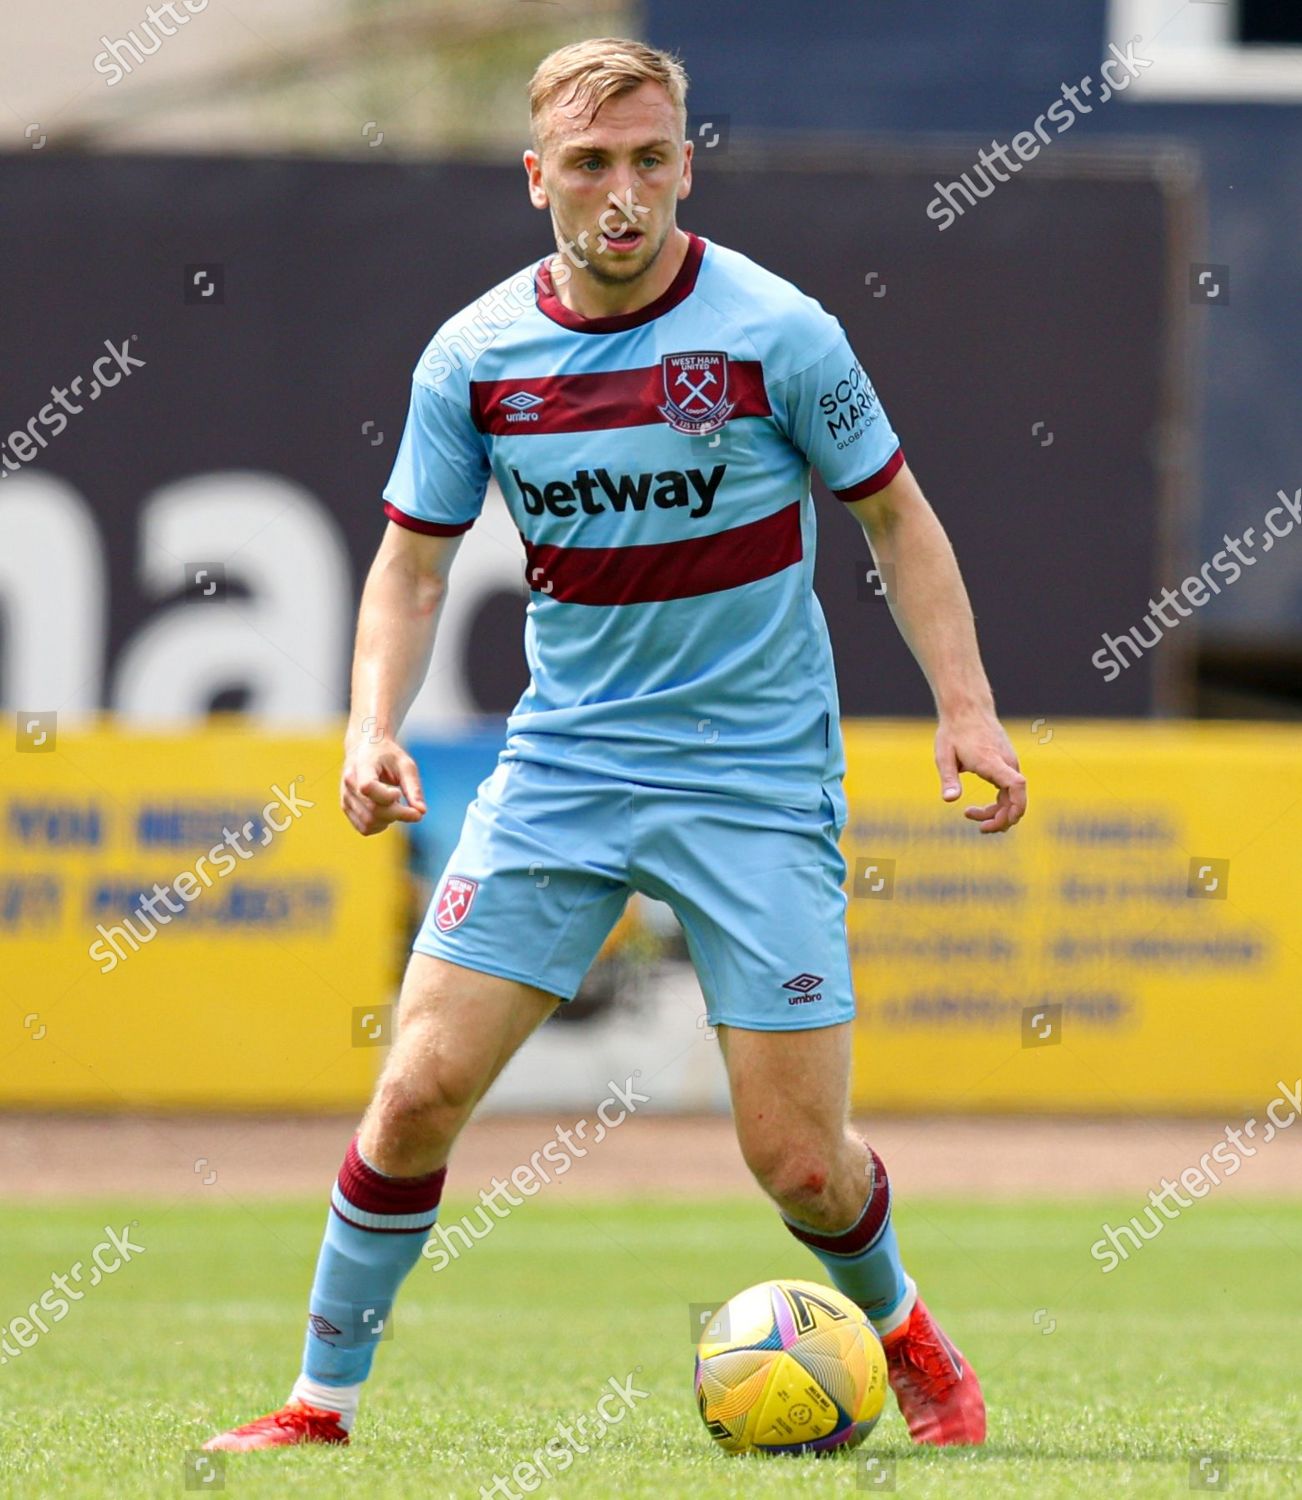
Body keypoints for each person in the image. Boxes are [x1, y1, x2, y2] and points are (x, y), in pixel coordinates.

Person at [204, 35, 1024, 1456]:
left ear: (685, 164)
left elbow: (895, 517)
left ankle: (902, 1333)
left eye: (649, 159)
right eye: (589, 164)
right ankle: (317, 1408)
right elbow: (408, 567)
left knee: (798, 1166)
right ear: (538, 180)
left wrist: (966, 708)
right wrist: (366, 726)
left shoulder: (779, 332)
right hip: (564, 773)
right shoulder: (474, 358)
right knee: (412, 1097)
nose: (622, 193)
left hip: (754, 785)